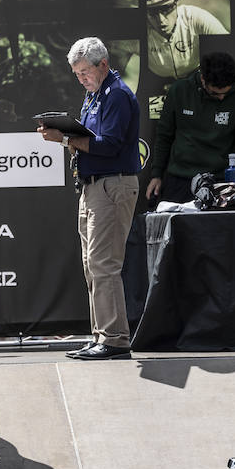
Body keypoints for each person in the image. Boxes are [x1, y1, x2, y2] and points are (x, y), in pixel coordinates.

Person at [38, 37, 141, 360]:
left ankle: (114, 339)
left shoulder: (118, 95)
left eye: (85, 72)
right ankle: (101, 335)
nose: (81, 79)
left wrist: (64, 137)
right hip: (92, 185)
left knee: (104, 264)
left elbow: (108, 145)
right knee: (91, 264)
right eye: (77, 74)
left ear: (103, 65)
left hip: (113, 185)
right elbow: (90, 137)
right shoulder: (94, 95)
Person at [146, 51, 235, 208]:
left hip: (221, 182)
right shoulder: (179, 91)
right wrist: (156, 175)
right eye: (216, 93)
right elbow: (164, 137)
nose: (222, 97)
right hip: (181, 180)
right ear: (203, 79)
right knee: (179, 232)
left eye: (226, 92)